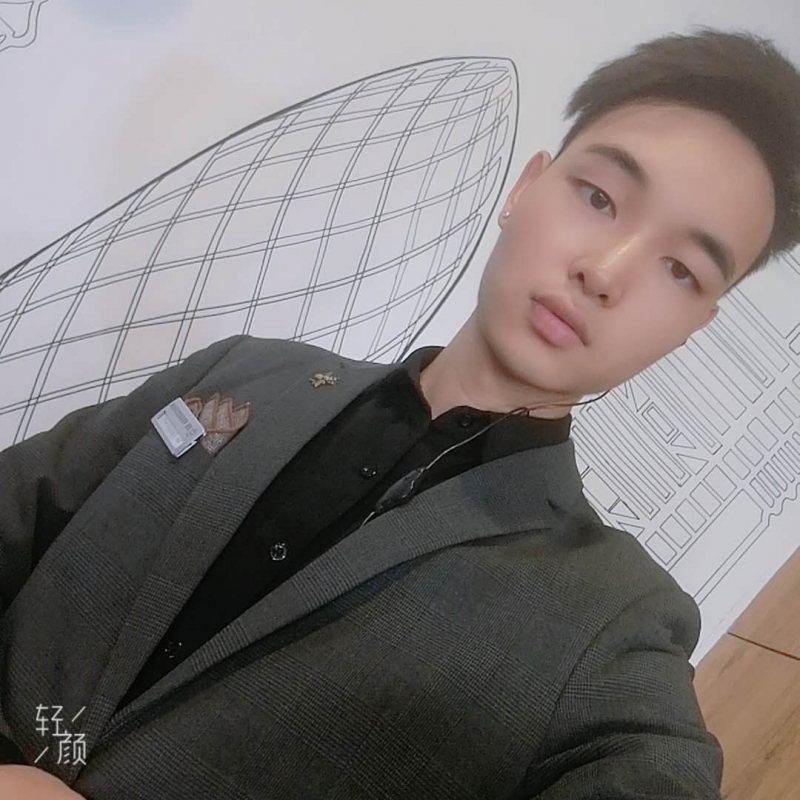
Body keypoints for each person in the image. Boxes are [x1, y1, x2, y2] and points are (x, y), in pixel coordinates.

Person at [1, 24, 799, 800]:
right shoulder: (243, 372)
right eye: (598, 197)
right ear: (525, 187)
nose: (606, 270)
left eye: (680, 270)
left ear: (692, 327)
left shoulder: (614, 627)